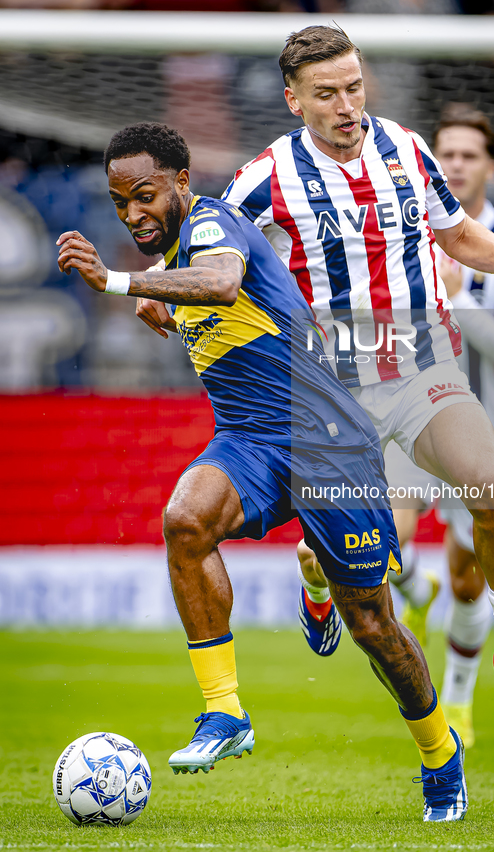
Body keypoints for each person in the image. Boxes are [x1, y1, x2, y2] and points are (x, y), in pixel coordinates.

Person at [136, 27, 494, 733]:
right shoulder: (266, 177)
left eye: (353, 86)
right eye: (326, 94)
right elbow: (207, 236)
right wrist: (154, 284)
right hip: (331, 392)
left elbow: (456, 233)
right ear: (292, 100)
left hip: (421, 365)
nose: (346, 104)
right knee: (337, 555)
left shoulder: (406, 147)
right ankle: (314, 576)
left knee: (487, 487)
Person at [57, 122, 469, 823]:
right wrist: (162, 305)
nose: (132, 214)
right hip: (250, 441)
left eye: (146, 195)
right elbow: (215, 307)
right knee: (185, 521)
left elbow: (220, 284)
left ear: (183, 183)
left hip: (328, 443)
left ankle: (438, 753)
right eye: (120, 201)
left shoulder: (217, 222)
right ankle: (224, 712)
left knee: (371, 623)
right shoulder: (181, 254)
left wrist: (122, 281)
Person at [384, 105, 494, 747]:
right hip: (405, 417)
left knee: (468, 578)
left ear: (489, 166)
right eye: (445, 153)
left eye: (468, 156)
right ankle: (411, 585)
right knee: (383, 542)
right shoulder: (401, 232)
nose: (454, 164)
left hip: (482, 430)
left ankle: (457, 697)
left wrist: (459, 301)